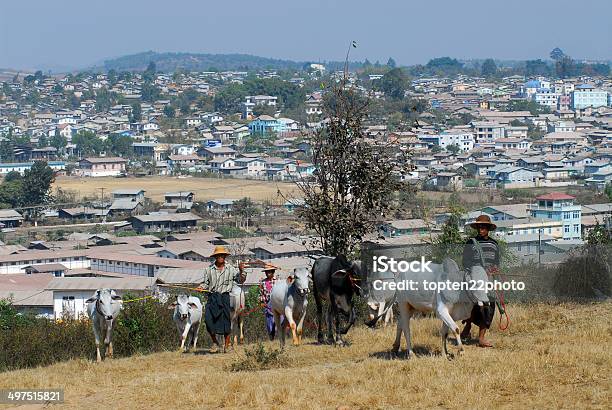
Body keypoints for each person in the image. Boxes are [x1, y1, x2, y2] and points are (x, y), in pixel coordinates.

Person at [461, 214, 500, 348]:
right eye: (479, 227)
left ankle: (481, 338)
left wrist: (493, 270)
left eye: (484, 227)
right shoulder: (471, 242)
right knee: (474, 305)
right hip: (474, 278)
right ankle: (468, 325)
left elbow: (496, 263)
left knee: (489, 307)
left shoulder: (494, 244)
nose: (481, 229)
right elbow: (465, 262)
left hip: (489, 280)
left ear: (488, 228)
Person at [198, 245, 246, 353]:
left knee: (226, 322)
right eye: (219, 255)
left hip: (224, 297)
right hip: (213, 297)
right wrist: (201, 287)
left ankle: (227, 345)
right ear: (215, 257)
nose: (221, 257)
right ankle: (215, 342)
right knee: (208, 320)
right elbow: (206, 283)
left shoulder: (231, 269)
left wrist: (242, 271)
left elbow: (240, 280)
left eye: (223, 255)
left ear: (225, 257)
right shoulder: (208, 270)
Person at [258, 264, 279, 340]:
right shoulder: (262, 282)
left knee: (279, 321)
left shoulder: (277, 281)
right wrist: (261, 301)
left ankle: (278, 336)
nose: (267, 273)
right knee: (269, 321)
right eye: (266, 272)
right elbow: (261, 293)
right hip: (267, 304)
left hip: (277, 303)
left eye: (269, 272)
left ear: (273, 272)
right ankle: (271, 337)